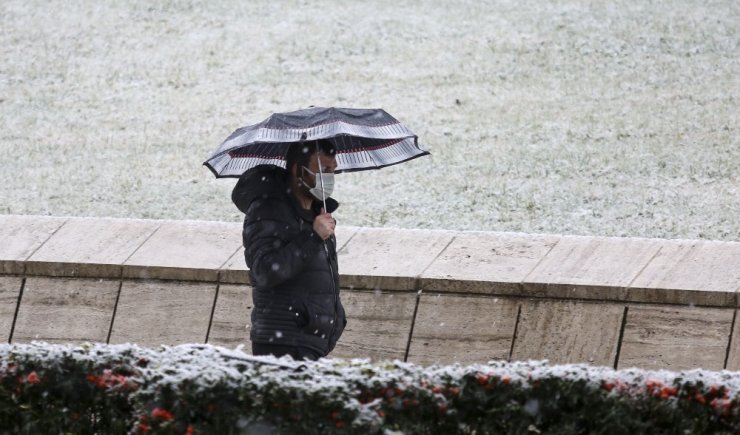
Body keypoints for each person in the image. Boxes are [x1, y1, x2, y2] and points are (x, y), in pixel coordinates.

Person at [231, 139, 346, 360]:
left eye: (333, 171)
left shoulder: (317, 214)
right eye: (322, 170)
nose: (328, 178)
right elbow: (265, 271)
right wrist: (313, 237)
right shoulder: (268, 210)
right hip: (284, 341)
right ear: (297, 170)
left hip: (310, 342)